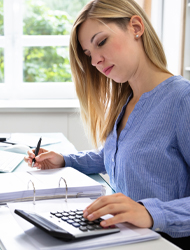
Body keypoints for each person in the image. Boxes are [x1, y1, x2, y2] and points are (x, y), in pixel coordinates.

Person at [25, 0, 190, 249]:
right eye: (88, 55)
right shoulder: (126, 101)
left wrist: (150, 213)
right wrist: (66, 160)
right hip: (126, 238)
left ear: (136, 27)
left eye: (101, 42)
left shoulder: (182, 99)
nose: (94, 62)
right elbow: (116, 155)